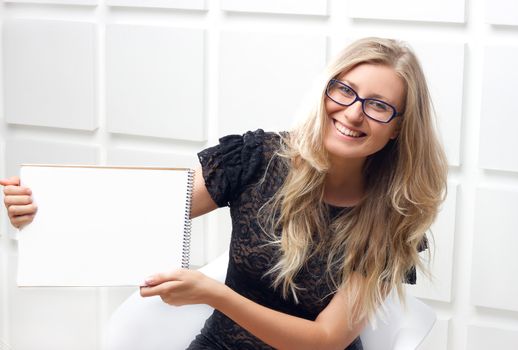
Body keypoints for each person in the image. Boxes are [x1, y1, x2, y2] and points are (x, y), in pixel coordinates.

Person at [1, 37, 447, 349]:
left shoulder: (394, 219)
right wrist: (41, 211)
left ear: (398, 129)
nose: (353, 112)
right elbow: (136, 211)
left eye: (378, 105)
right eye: (345, 90)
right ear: (326, 91)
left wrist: (215, 294)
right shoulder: (257, 159)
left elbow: (325, 341)